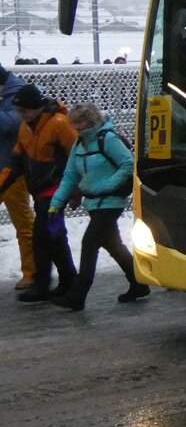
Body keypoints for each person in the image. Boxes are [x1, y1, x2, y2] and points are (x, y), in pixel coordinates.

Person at [47, 103, 149, 310]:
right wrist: (56, 203)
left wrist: (108, 185)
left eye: (80, 121)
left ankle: (78, 294)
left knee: (89, 243)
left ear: (92, 119)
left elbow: (128, 164)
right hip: (94, 202)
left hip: (111, 202)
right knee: (113, 244)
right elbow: (70, 176)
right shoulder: (80, 144)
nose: (76, 126)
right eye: (73, 122)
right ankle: (138, 283)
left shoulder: (107, 139)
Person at [0, 83, 77, 302]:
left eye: (23, 111)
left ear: (35, 108)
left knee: (42, 237)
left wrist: (75, 190)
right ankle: (67, 280)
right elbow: (15, 163)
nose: (20, 116)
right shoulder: (26, 129)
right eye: (18, 112)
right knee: (53, 237)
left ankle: (43, 284)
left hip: (55, 191)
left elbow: (76, 156)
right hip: (43, 191)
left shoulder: (58, 124)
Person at [0, 64, 35, 289]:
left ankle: (32, 272)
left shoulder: (20, 93)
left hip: (13, 170)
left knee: (23, 223)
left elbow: (10, 125)